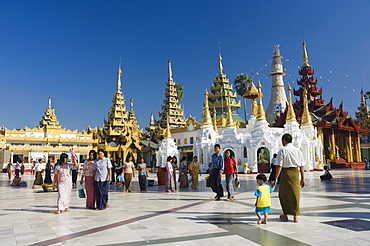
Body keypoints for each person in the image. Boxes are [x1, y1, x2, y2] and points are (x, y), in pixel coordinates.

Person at [272, 133, 305, 223]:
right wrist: (302, 178)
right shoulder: (298, 150)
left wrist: (276, 178)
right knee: (295, 194)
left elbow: (279, 166)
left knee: (284, 194)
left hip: (285, 173)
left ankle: (285, 214)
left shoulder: (282, 150)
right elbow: (302, 166)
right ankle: (295, 216)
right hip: (295, 173)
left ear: (284, 140)